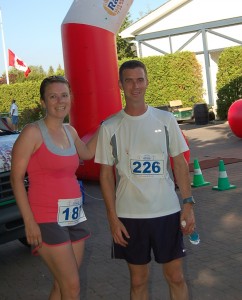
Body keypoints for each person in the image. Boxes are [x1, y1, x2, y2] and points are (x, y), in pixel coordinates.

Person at [95, 60, 196, 300]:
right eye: (128, 80)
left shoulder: (166, 120)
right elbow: (105, 176)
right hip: (130, 216)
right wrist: (111, 218)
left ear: (147, 82)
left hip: (167, 211)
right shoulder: (110, 126)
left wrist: (188, 203)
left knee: (176, 277)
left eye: (140, 79)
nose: (135, 86)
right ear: (120, 85)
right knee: (138, 282)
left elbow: (179, 164)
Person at [10, 75, 99, 300]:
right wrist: (29, 221)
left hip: (74, 215)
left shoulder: (70, 131)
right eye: (52, 96)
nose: (59, 100)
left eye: (64, 95)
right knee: (72, 287)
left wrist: (106, 127)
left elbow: (87, 153)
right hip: (46, 218)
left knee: (63, 286)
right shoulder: (32, 132)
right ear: (43, 102)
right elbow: (16, 178)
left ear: (71, 98)